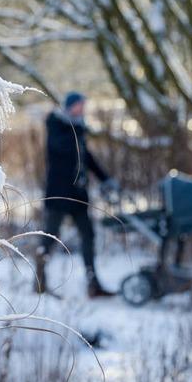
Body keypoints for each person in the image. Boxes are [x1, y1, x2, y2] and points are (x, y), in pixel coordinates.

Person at [37, 92, 118, 298]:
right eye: (78, 106)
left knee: (88, 236)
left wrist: (105, 178)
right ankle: (39, 282)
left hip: (79, 194)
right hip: (58, 194)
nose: (81, 109)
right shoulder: (56, 126)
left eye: (83, 105)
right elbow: (60, 148)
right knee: (50, 236)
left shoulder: (78, 128)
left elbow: (86, 157)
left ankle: (93, 284)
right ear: (69, 106)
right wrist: (78, 131)